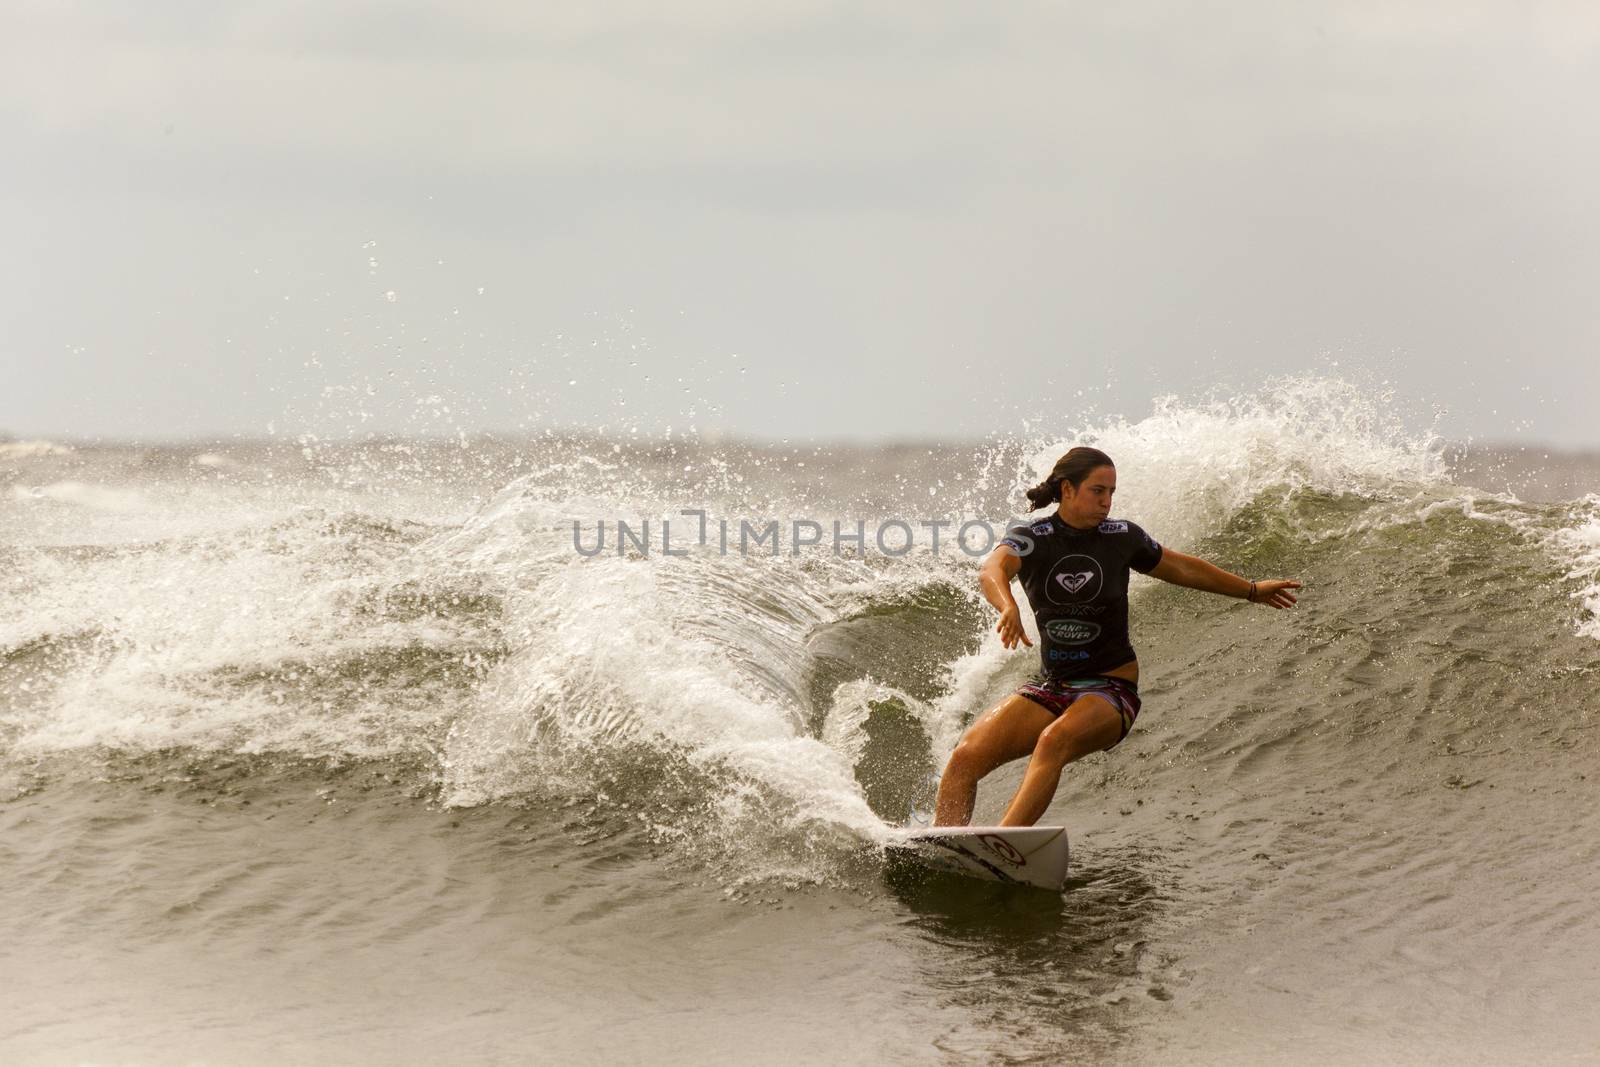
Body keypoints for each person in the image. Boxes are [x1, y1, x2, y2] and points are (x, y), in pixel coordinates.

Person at [933, 446, 1302, 827]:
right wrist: (1007, 605)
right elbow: (992, 569)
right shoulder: (1032, 536)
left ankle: (1003, 844)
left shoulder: (1121, 537)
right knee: (965, 758)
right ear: (1067, 489)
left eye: (1111, 492)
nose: (1107, 502)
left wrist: (1252, 590)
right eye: (1098, 491)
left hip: (1110, 689)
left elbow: (1180, 567)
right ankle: (945, 844)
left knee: (1053, 742)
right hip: (1053, 685)